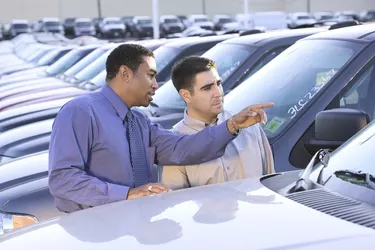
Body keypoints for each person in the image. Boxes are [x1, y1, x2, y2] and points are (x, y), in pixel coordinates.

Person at [48, 44, 274, 213]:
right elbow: (63, 178)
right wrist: (127, 195)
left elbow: (185, 147)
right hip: (96, 234)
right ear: (125, 74)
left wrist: (232, 125)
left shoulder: (138, 121)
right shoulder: (81, 111)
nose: (156, 84)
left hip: (132, 230)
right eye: (151, 76)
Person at [162, 56, 274, 190]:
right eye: (207, 88)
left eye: (219, 83)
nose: (218, 93)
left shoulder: (249, 125)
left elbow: (271, 183)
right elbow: (175, 203)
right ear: (186, 95)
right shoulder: (175, 145)